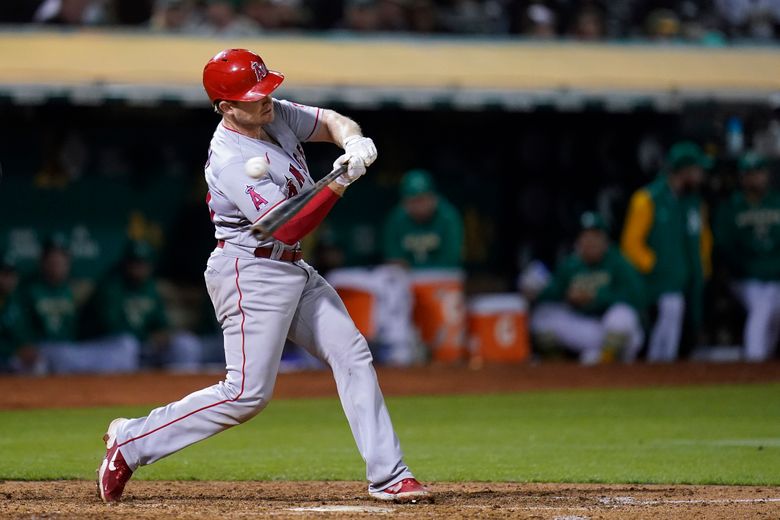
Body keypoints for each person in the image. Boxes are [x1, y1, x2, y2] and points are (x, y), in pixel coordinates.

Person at [97, 48, 429, 503]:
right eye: (253, 95)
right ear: (226, 107)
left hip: (291, 266)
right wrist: (338, 182)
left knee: (352, 354)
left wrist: (352, 142)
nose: (266, 99)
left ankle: (389, 475)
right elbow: (287, 223)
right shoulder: (230, 157)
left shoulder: (273, 115)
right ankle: (132, 442)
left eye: (265, 88)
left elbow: (331, 121)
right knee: (246, 395)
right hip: (249, 269)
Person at [621, 141, 713, 362]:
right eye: (696, 170)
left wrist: (703, 268)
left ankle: (670, 366)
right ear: (683, 170)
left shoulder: (695, 202)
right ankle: (659, 365)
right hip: (654, 281)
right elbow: (630, 244)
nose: (700, 175)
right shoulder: (647, 199)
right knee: (671, 308)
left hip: (689, 279)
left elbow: (704, 239)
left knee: (686, 318)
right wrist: (655, 267)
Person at [528, 212, 645, 364]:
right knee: (542, 317)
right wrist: (537, 293)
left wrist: (596, 297)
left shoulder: (618, 262)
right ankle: (559, 369)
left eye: (595, 236)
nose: (590, 241)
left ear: (605, 240)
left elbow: (637, 296)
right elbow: (552, 292)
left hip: (615, 329)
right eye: (585, 236)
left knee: (622, 314)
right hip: (587, 330)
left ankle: (607, 361)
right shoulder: (571, 265)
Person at [23, 235, 138, 374]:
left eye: (62, 258)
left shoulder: (75, 289)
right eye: (52, 258)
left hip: (77, 350)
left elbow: (91, 329)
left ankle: (91, 372)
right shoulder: (29, 290)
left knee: (127, 344)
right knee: (60, 356)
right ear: (42, 261)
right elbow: (21, 332)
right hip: (49, 349)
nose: (57, 262)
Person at [85, 240, 201, 372]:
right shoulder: (111, 287)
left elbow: (160, 324)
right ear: (126, 263)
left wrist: (162, 335)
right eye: (135, 263)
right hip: (112, 348)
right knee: (127, 345)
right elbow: (111, 328)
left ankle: (177, 389)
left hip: (145, 347)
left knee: (185, 343)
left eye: (143, 263)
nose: (139, 267)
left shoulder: (150, 288)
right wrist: (147, 337)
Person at [715, 152, 780, 361]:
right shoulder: (730, 207)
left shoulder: (777, 202)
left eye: (758, 173)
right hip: (745, 279)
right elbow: (725, 248)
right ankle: (755, 361)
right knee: (763, 305)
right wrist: (753, 268)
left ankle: (762, 364)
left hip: (775, 276)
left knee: (771, 309)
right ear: (742, 177)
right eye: (750, 174)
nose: (755, 178)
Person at [382, 169, 463, 269]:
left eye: (422, 199)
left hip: (442, 279)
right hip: (406, 281)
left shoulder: (448, 217)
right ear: (404, 202)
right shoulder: (396, 219)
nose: (418, 206)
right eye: (413, 201)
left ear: (433, 197)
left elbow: (452, 259)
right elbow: (393, 260)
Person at [0, 252, 38, 373]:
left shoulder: (17, 300)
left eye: (12, 274)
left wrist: (26, 348)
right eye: (5, 274)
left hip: (12, 358)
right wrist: (13, 351)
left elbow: (25, 333)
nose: (9, 279)